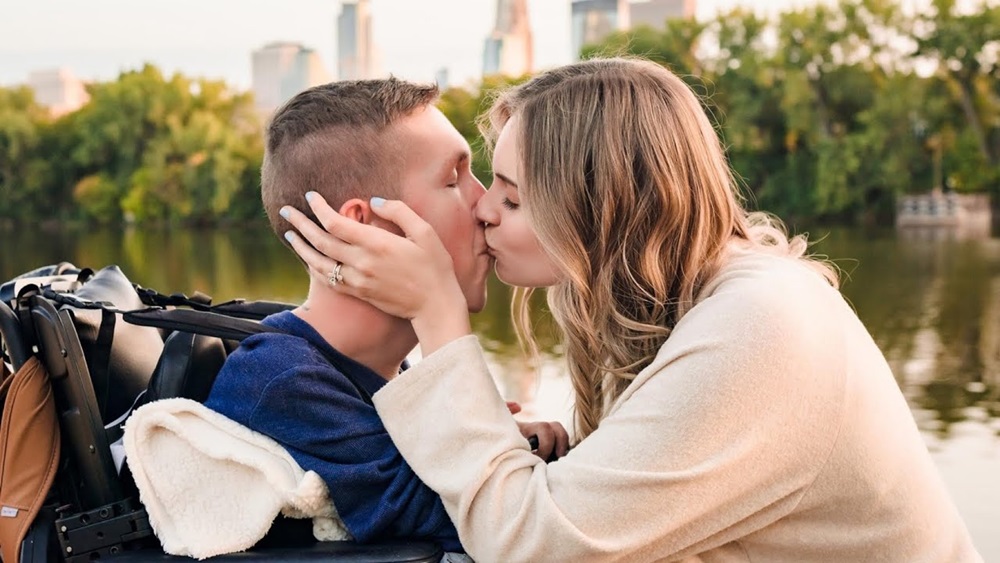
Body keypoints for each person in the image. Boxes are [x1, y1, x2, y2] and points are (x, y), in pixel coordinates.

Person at [280, 58, 983, 562]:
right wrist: (518, 443)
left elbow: (529, 545)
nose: (484, 210)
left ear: (603, 208)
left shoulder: (759, 325)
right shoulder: (678, 305)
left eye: (513, 195)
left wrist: (440, 317)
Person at [203, 78, 568, 554]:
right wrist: (503, 446)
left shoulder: (381, 373)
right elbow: (482, 524)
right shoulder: (285, 382)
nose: (483, 203)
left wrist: (500, 439)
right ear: (360, 228)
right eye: (453, 180)